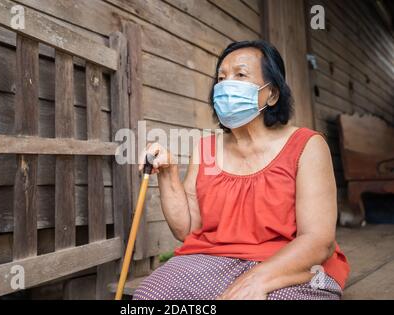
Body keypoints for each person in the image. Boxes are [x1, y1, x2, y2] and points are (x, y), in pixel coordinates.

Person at [132, 40, 350, 300]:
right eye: (220, 78)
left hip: (289, 262)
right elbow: (187, 230)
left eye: (240, 74)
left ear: (272, 94)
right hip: (212, 259)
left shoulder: (307, 146)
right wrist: (167, 173)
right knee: (149, 297)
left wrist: (256, 280)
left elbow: (318, 241)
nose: (225, 85)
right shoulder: (207, 150)